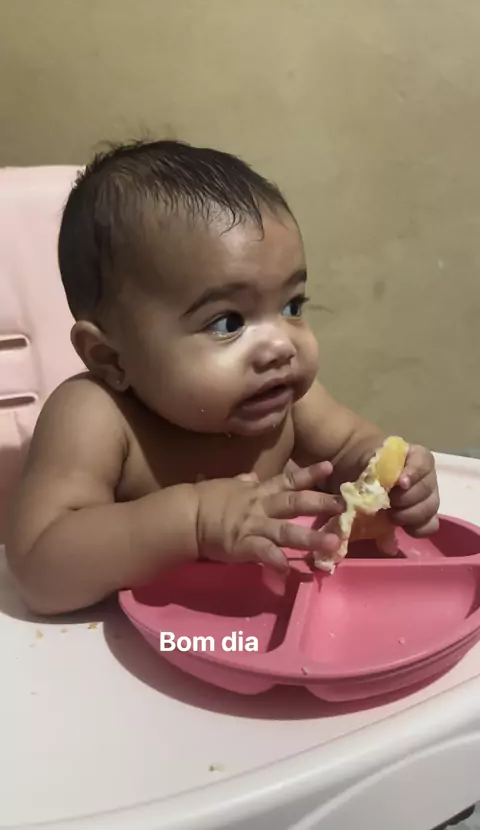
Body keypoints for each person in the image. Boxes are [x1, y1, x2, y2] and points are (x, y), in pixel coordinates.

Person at [5, 141, 439, 615]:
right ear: (111, 359)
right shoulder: (95, 417)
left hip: (264, 619)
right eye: (228, 322)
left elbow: (353, 448)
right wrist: (195, 521)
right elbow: (39, 571)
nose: (281, 345)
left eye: (292, 305)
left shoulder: (286, 401)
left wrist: (391, 480)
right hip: (126, 646)